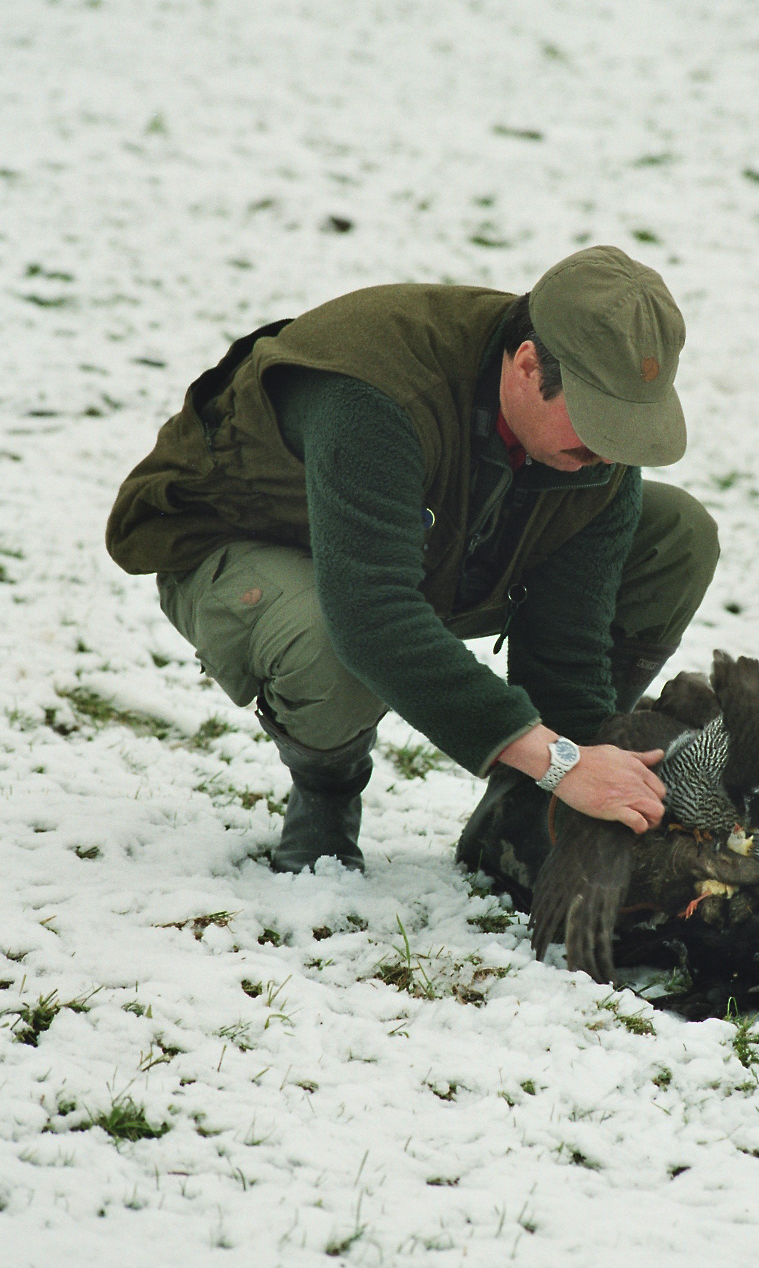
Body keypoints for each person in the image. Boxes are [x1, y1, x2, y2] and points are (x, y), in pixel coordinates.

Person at [106, 245, 719, 900]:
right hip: (243, 543)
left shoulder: (595, 453)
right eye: (597, 419)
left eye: (627, 426)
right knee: (330, 638)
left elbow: (568, 643)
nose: (609, 450)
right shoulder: (375, 389)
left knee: (675, 534)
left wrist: (575, 780)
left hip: (424, 546)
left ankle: (517, 817)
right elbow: (371, 615)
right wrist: (559, 761)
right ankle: (327, 796)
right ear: (528, 364)